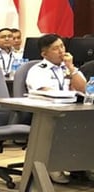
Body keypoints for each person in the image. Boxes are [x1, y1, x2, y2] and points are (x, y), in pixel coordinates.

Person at [26, 34, 86, 184]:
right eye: (55, 48)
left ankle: (83, 166)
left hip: (70, 110)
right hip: (46, 113)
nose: (61, 51)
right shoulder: (38, 70)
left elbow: (83, 88)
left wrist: (71, 68)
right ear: (44, 54)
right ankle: (52, 166)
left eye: (62, 46)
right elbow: (45, 92)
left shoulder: (66, 68)